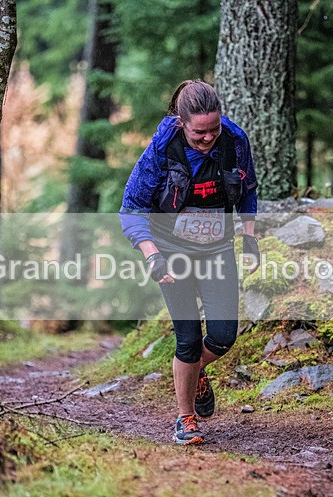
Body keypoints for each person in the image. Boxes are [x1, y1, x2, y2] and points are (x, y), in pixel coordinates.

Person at [120, 79, 260, 445]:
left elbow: (248, 190)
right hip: (171, 250)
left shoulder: (235, 140)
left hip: (216, 249)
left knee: (224, 335)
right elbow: (131, 210)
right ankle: (185, 420)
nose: (208, 138)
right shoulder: (161, 150)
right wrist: (153, 256)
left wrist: (250, 237)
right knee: (187, 340)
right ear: (181, 122)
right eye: (200, 132)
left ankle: (195, 372)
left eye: (214, 128)